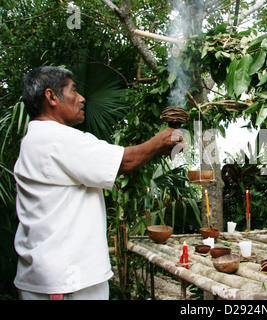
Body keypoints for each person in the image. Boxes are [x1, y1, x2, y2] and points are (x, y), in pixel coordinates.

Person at [13, 66, 184, 300]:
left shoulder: (37, 138)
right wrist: (159, 141)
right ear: (52, 97)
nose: (82, 98)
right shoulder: (56, 139)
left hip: (55, 276)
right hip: (66, 281)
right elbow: (125, 161)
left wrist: (155, 147)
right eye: (73, 90)